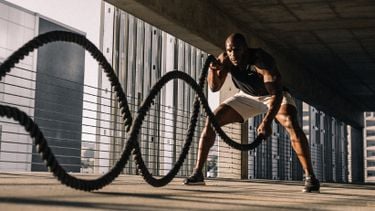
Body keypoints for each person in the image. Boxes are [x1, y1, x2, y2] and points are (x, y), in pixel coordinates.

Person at [183, 33, 320, 193]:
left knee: (290, 122)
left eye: (237, 50)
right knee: (212, 120)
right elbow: (214, 88)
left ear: (245, 49)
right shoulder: (226, 59)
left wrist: (267, 121)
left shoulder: (261, 61)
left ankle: (310, 177)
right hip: (247, 96)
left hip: (273, 95)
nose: (233, 55)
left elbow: (276, 94)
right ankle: (198, 173)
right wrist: (213, 71)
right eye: (230, 50)